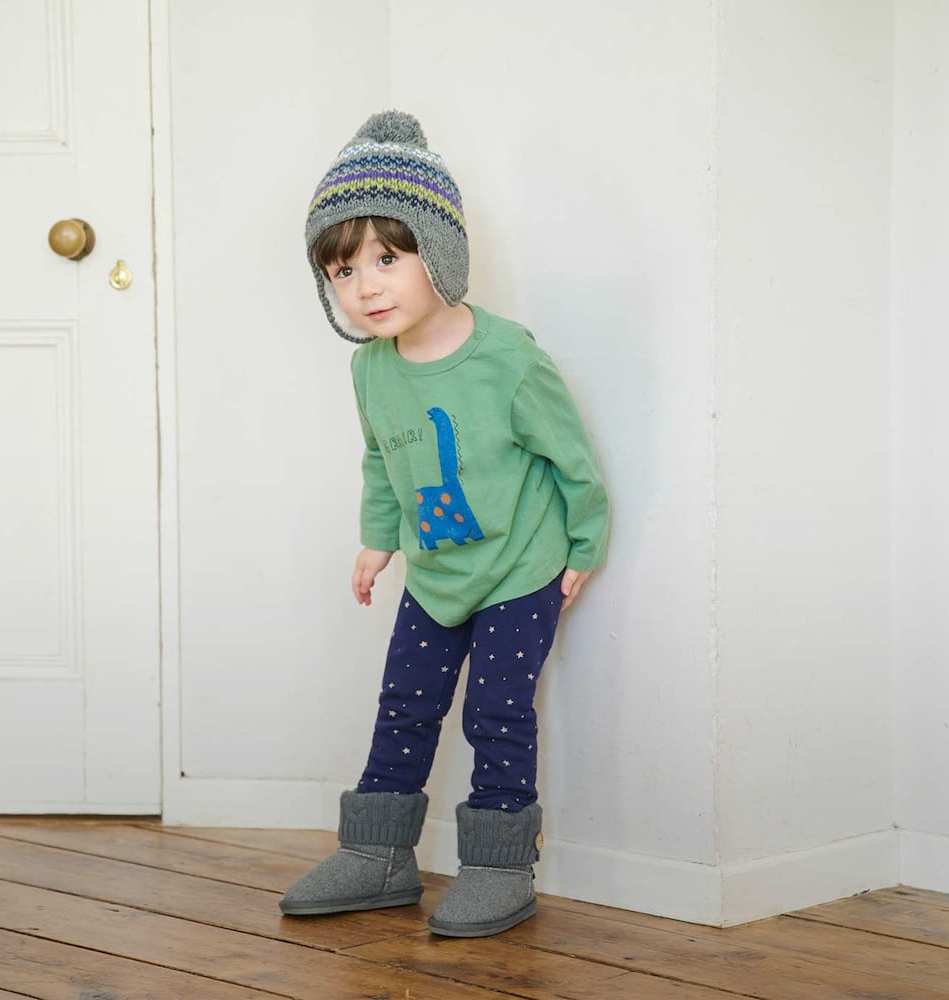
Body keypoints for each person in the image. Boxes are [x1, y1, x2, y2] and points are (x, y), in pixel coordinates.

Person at [277, 110, 610, 938]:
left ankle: (499, 867)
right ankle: (380, 857)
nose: (368, 286)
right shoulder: (369, 368)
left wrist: (584, 542)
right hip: (434, 573)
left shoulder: (508, 359)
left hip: (518, 568)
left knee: (496, 712)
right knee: (404, 703)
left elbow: (571, 458)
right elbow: (382, 462)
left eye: (388, 258)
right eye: (344, 270)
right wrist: (376, 540)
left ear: (442, 255)